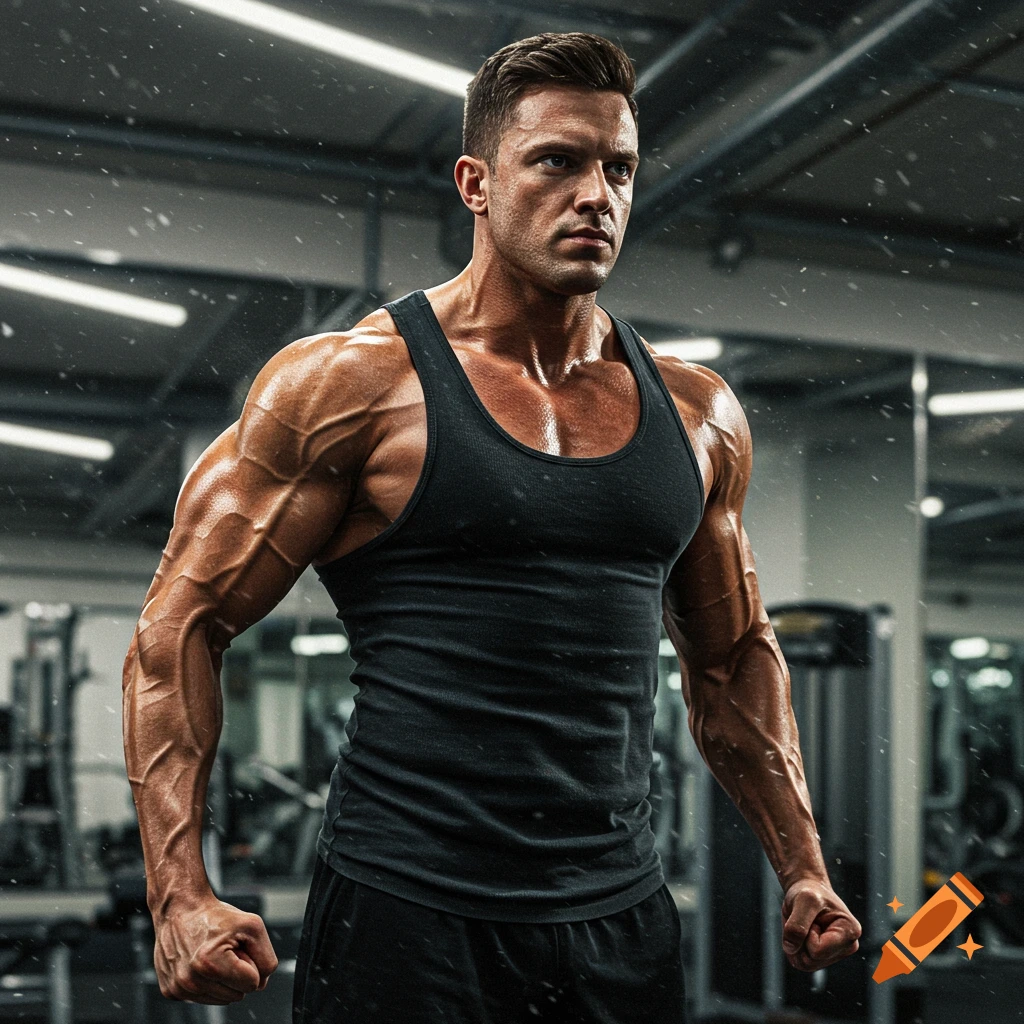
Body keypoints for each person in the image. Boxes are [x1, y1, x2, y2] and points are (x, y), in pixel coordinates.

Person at [122, 31, 862, 1024]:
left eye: (619, 169)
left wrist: (801, 865)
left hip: (620, 919)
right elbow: (177, 631)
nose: (596, 194)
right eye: (557, 161)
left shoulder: (699, 414)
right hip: (405, 913)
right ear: (475, 182)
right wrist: (178, 895)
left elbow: (729, 658)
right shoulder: (349, 384)